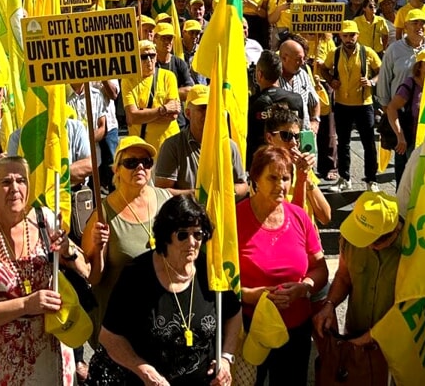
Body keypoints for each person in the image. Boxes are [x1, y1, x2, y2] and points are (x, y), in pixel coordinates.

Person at [0, 155, 89, 386]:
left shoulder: (45, 220)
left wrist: (67, 251)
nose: (15, 188)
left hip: (51, 355)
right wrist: (26, 305)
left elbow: (85, 270)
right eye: (6, 182)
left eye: (21, 180)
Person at [94, 196, 243, 386]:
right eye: (182, 234)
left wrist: (226, 358)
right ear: (166, 236)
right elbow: (109, 337)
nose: (192, 242)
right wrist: (143, 369)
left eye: (198, 234)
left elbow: (234, 313)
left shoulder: (210, 270)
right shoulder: (136, 276)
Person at [237, 145, 327, 385]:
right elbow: (218, 282)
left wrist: (304, 287)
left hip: (295, 330)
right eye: (273, 177)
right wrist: (249, 295)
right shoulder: (235, 219)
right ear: (255, 178)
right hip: (249, 329)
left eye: (286, 178)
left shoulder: (299, 215)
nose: (281, 185)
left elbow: (320, 269)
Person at [84, 136, 174, 337]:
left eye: (146, 162)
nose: (140, 167)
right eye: (131, 163)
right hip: (120, 324)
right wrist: (98, 247)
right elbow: (93, 276)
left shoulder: (165, 200)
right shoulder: (103, 214)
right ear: (116, 169)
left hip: (159, 317)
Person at [312, 192, 402, 382]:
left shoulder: (412, 250)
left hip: (396, 347)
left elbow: (412, 304)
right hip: (356, 337)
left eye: (374, 242)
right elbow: (344, 277)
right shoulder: (350, 238)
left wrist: (373, 336)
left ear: (394, 233)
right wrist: (329, 304)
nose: (366, 246)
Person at [155, 84, 248, 197]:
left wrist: (225, 193)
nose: (208, 113)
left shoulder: (229, 145)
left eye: (211, 108)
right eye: (202, 108)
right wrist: (199, 195)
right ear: (188, 113)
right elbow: (161, 192)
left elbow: (243, 185)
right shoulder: (173, 146)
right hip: (187, 213)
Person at [322, 19, 381, 191]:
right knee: (344, 143)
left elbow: (381, 70)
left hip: (364, 104)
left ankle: (372, 180)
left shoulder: (367, 52)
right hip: (342, 104)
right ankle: (344, 178)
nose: (349, 39)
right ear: (340, 36)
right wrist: (331, 80)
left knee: (369, 143)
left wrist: (371, 81)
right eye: (345, 35)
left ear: (358, 35)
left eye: (352, 35)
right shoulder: (335, 53)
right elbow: (324, 69)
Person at [261, 107, 331, 226]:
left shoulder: (300, 167)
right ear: (269, 138)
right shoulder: (264, 173)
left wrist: (307, 178)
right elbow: (292, 223)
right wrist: (301, 178)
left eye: (297, 137)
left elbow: (326, 217)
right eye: (286, 136)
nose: (294, 142)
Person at [246, 51, 305, 166]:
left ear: (259, 74)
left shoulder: (251, 103)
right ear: (281, 72)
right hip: (289, 160)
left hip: (260, 164)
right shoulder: (296, 99)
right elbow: (301, 131)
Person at [125, 39, 182, 154]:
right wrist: (163, 109)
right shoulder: (128, 81)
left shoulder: (168, 76)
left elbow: (173, 114)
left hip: (169, 145)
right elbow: (132, 117)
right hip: (143, 148)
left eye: (152, 56)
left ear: (156, 57)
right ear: (136, 59)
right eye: (144, 57)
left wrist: (143, 113)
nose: (149, 60)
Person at [384, 49, 425, 186]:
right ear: (420, 66)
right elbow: (392, 108)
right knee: (409, 182)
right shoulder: (410, 85)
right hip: (411, 142)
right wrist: (400, 137)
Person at [377, 9, 425, 106]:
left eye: (422, 23)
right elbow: (384, 78)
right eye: (415, 23)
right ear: (406, 26)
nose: (419, 26)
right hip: (400, 109)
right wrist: (385, 105)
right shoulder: (394, 49)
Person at [277, 36, 320, 133]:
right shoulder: (273, 78)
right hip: (283, 139)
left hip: (305, 136)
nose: (302, 62)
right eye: (298, 59)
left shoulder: (303, 74)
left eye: (303, 58)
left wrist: (315, 121)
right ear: (284, 58)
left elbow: (315, 102)